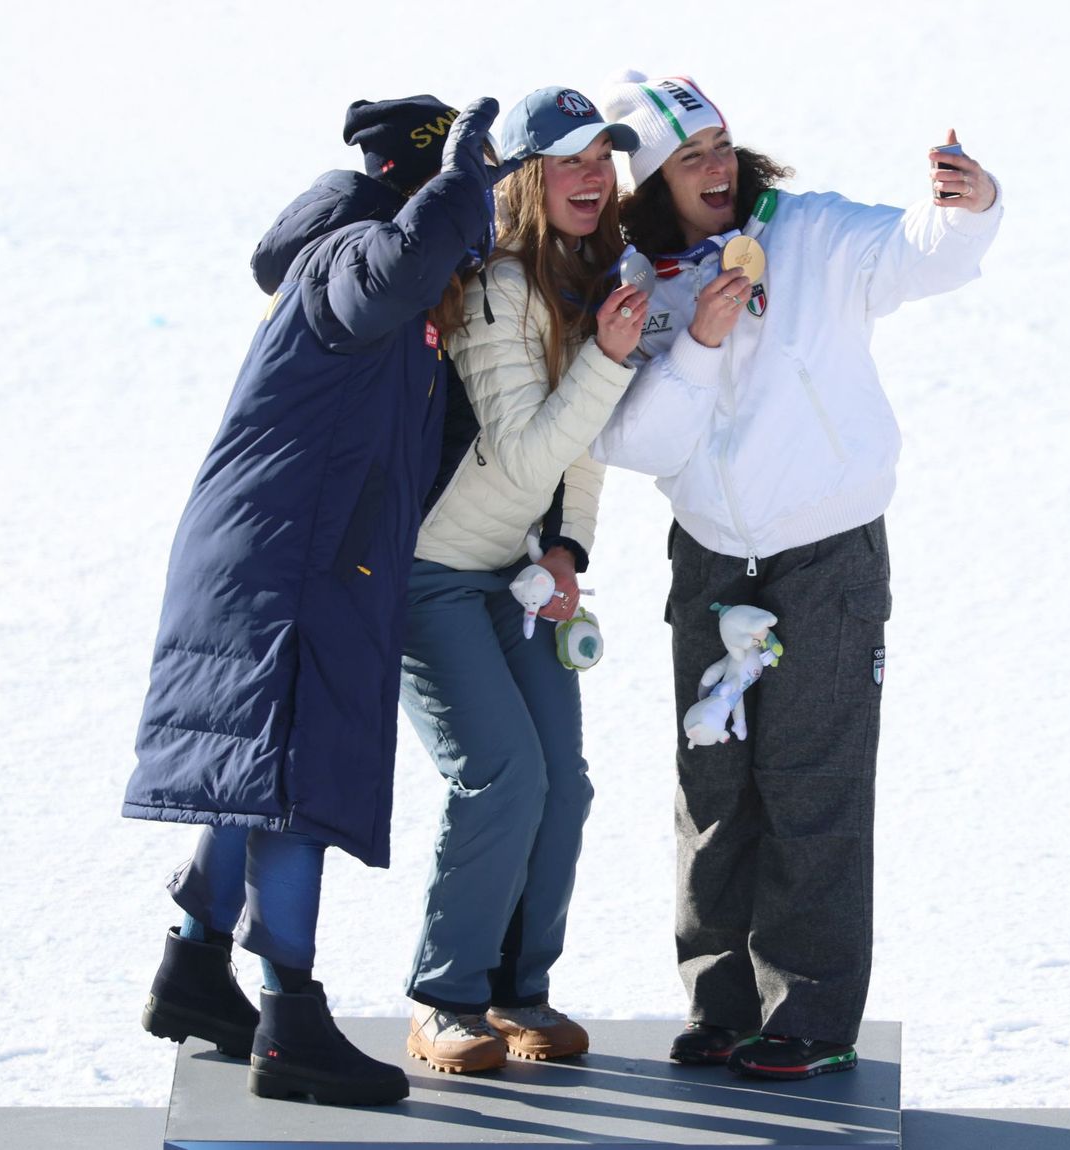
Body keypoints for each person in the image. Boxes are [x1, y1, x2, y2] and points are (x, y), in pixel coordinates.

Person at [592, 71, 1005, 1080]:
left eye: (723, 145)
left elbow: (915, 254)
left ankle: (809, 1016)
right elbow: (638, 443)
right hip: (708, 563)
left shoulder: (810, 232)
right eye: (691, 158)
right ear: (649, 180)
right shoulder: (637, 284)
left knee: (810, 780)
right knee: (715, 780)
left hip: (827, 557)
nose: (718, 167)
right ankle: (719, 1003)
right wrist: (697, 341)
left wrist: (968, 208)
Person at [123, 93, 507, 1106]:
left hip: (288, 559)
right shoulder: (351, 251)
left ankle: (198, 969)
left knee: (265, 762)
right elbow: (391, 270)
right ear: (418, 188)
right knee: (294, 776)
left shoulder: (376, 298)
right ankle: (291, 1017)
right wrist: (461, 190)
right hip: (287, 569)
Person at [397, 86, 650, 1075]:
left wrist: (566, 553)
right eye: (572, 158)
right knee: (501, 777)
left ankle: (517, 992)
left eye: (606, 159)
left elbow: (577, 455)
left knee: (566, 785)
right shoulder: (495, 284)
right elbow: (520, 450)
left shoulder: (584, 278)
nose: (595, 177)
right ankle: (444, 999)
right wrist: (612, 362)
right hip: (430, 576)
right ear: (524, 176)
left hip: (513, 573)